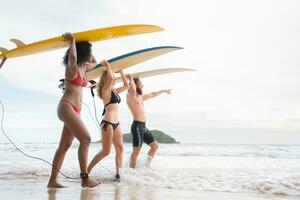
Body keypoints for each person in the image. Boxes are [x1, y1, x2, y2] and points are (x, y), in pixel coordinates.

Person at [47, 32, 99, 188]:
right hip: (66, 106)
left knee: (64, 146)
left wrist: (90, 48)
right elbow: (73, 58)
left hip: (75, 110)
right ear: (83, 52)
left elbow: (96, 63)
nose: (91, 54)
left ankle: (52, 181)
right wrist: (73, 41)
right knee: (86, 139)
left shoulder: (84, 67)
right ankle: (84, 179)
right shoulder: (73, 67)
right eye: (89, 51)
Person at [87, 60, 129, 181]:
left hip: (116, 123)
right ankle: (86, 171)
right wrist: (107, 65)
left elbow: (126, 86)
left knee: (120, 149)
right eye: (111, 78)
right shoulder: (104, 90)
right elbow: (110, 77)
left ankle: (118, 175)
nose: (113, 79)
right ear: (106, 79)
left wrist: (122, 72)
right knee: (106, 151)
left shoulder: (114, 91)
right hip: (108, 123)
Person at [127, 76, 172, 168]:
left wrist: (163, 90)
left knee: (154, 146)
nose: (142, 85)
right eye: (140, 83)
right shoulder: (131, 96)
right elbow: (132, 89)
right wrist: (131, 78)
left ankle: (146, 166)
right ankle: (131, 171)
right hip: (137, 126)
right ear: (135, 85)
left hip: (143, 127)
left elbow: (152, 94)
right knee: (136, 151)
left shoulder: (140, 97)